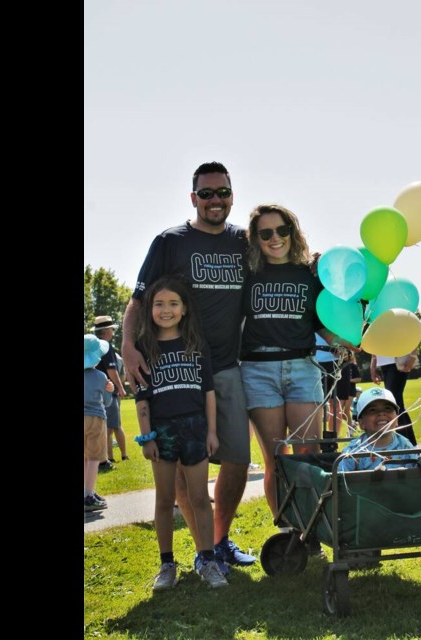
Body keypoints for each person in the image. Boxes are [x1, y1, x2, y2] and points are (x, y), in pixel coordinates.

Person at [121, 161, 257, 571]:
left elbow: (277, 262)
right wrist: (128, 346)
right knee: (181, 462)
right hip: (174, 366)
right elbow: (139, 298)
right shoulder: (170, 241)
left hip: (226, 366)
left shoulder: (243, 242)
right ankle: (203, 552)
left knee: (235, 456)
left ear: (232, 195)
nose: (215, 200)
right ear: (193, 197)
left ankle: (219, 541)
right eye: (207, 193)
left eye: (223, 192)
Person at [239, 203, 352, 519]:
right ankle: (287, 531)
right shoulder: (249, 274)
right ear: (256, 238)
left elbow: (319, 322)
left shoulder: (308, 274)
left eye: (281, 230)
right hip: (258, 371)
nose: (275, 238)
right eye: (266, 233)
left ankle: (311, 528)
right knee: (276, 459)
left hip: (303, 369)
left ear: (292, 231)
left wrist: (343, 341)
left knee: (308, 456)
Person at [133, 276, 228, 590]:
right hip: (163, 432)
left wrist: (212, 432)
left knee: (200, 498)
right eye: (159, 304)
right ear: (150, 310)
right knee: (165, 499)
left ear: (184, 309)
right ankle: (166, 565)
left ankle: (208, 560)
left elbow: (209, 394)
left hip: (195, 428)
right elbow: (142, 399)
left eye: (173, 303)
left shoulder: (197, 346)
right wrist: (147, 438)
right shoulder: (144, 348)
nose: (166, 310)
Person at [338, 387, 419, 472]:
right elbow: (340, 479)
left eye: (388, 408)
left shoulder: (405, 447)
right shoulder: (353, 451)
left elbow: (416, 479)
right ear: (362, 423)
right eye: (372, 410)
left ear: (397, 419)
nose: (381, 413)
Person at [84, 334, 115, 512]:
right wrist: (109, 390)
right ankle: (88, 496)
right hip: (95, 418)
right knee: (94, 458)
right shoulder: (101, 377)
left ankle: (86, 491)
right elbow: (108, 402)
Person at [93, 315, 128, 467]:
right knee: (114, 425)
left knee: (105, 426)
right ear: (107, 331)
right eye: (112, 329)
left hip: (95, 391)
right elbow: (112, 370)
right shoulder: (106, 347)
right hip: (108, 390)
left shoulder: (93, 347)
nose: (113, 331)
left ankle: (109, 456)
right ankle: (121, 456)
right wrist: (120, 387)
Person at [370, 349, 419, 446]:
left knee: (394, 403)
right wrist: (373, 364)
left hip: (398, 362)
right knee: (397, 403)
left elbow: (413, 336)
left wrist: (412, 357)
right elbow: (374, 339)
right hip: (384, 362)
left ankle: (405, 445)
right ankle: (410, 444)